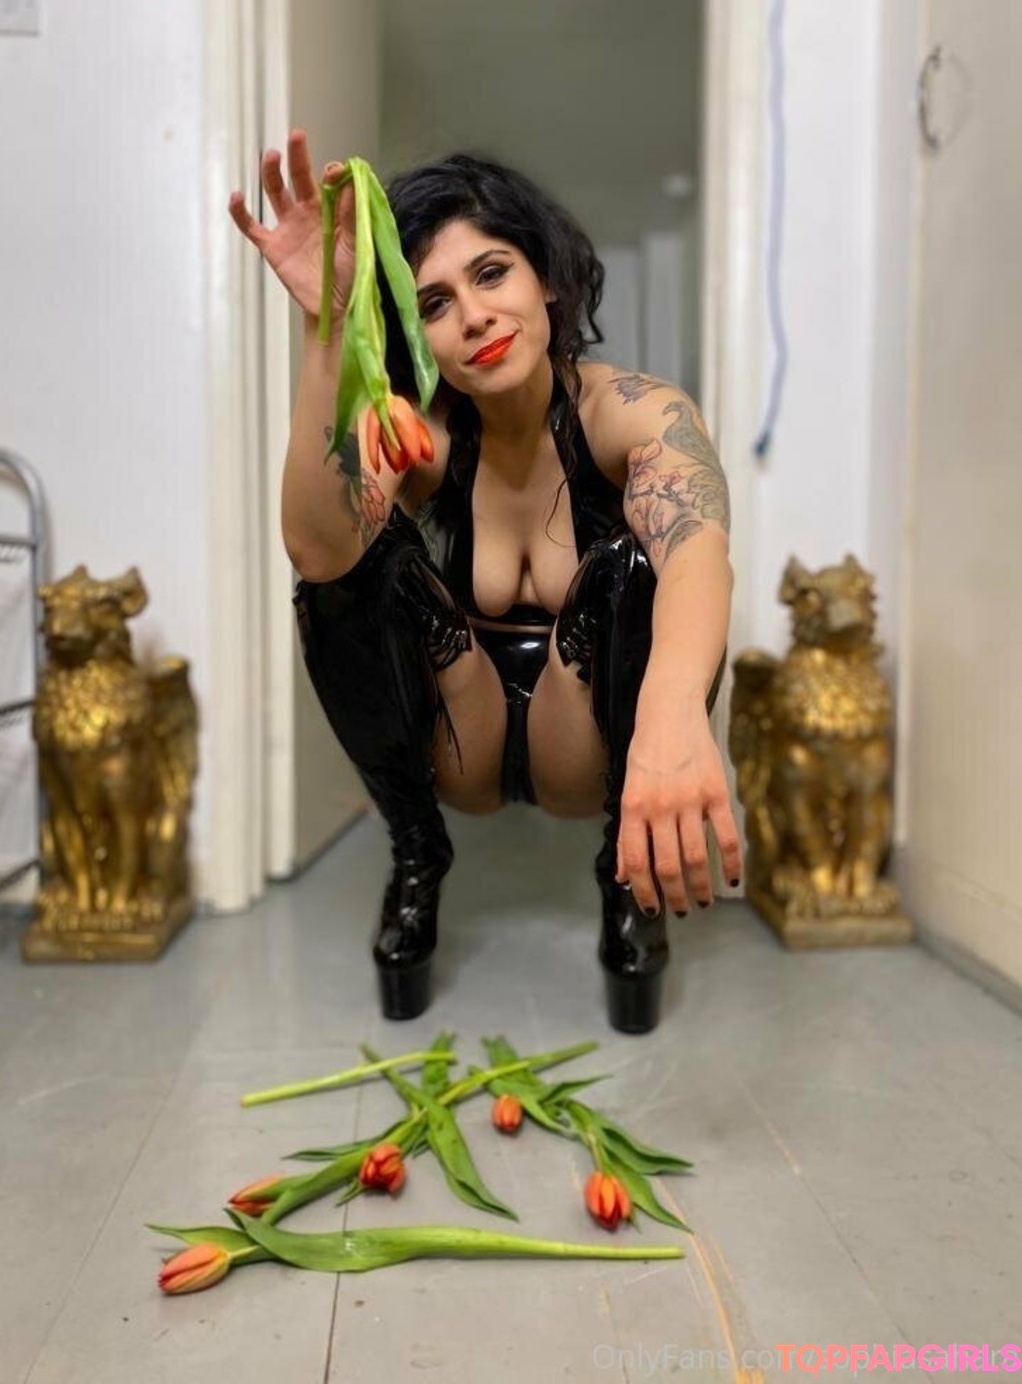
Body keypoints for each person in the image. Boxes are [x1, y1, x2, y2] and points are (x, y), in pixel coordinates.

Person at [228, 130, 741, 1034]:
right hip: (461, 733)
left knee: (637, 566)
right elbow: (315, 550)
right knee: (350, 577)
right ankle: (416, 855)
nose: (473, 316)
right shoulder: (419, 430)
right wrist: (329, 331)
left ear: (547, 280)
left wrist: (672, 715)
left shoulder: (632, 412)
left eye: (492, 273)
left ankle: (627, 883)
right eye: (435, 302)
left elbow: (700, 547)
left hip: (587, 737)